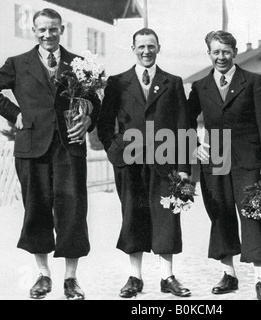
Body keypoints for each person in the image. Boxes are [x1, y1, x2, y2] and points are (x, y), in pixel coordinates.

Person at [0, 8, 101, 300]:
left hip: (69, 146)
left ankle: (71, 278)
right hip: (32, 147)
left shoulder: (79, 63)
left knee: (73, 210)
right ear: (34, 31)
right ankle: (43, 275)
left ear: (62, 29)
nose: (48, 35)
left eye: (53, 29)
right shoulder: (18, 64)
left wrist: (87, 118)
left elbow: (95, 101)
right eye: (42, 30)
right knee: (37, 209)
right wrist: (15, 113)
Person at [96, 28, 192, 298]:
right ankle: (134, 278)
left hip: (166, 162)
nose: (146, 51)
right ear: (133, 48)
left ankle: (167, 277)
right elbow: (104, 123)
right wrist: (115, 149)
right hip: (130, 162)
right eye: (141, 47)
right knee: (133, 216)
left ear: (159, 48)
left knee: (166, 218)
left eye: (151, 46)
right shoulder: (117, 82)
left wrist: (184, 167)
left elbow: (185, 126)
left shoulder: (172, 82)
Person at [187, 31, 261, 300]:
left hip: (248, 160)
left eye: (226, 52)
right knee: (220, 215)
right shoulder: (201, 86)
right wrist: (193, 145)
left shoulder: (253, 82)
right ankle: (229, 274)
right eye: (215, 52)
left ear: (235, 52)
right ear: (209, 54)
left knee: (255, 215)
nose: (221, 57)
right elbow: (185, 120)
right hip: (215, 157)